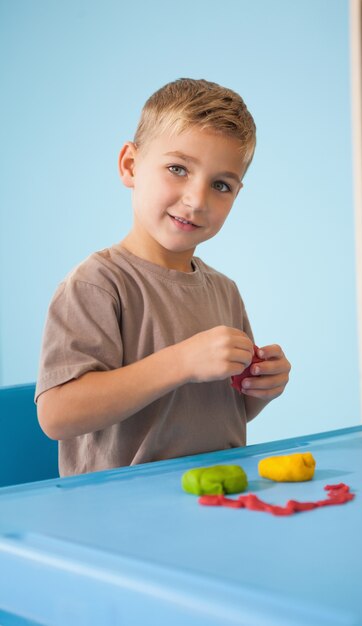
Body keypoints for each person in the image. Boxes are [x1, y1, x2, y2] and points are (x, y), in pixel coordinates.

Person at [36, 78, 291, 476]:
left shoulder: (224, 291)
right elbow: (57, 415)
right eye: (178, 169)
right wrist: (182, 362)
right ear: (130, 165)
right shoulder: (97, 284)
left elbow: (220, 412)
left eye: (221, 185)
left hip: (212, 501)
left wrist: (260, 388)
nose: (196, 200)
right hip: (121, 516)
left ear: (236, 196)